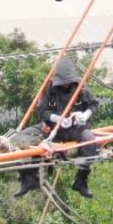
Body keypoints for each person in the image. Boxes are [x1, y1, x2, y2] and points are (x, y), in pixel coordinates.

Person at [14, 58, 100, 199]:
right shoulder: (50, 89)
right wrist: (56, 118)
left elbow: (94, 104)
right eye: (63, 82)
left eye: (68, 82)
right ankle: (28, 178)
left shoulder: (80, 88)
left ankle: (81, 180)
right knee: (20, 138)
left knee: (89, 140)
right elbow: (42, 112)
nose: (65, 84)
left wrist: (85, 115)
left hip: (74, 128)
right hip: (52, 128)